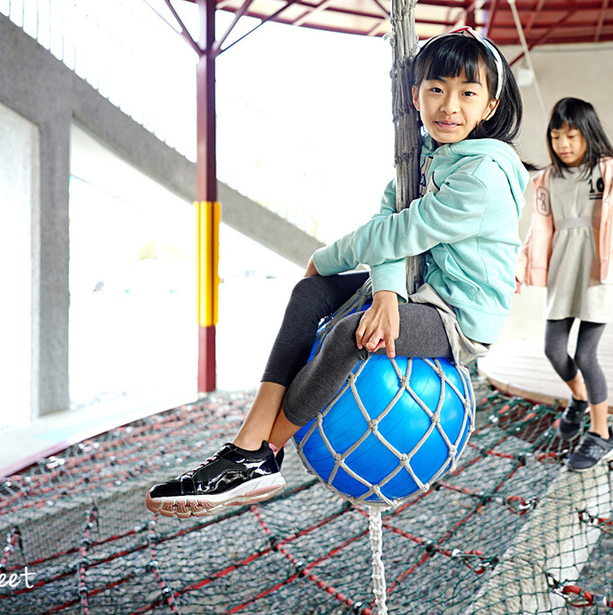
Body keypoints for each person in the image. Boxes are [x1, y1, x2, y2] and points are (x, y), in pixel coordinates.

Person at [146, 27, 532, 518]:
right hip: (417, 289)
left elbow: (399, 233)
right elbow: (388, 223)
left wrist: (329, 257)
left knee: (353, 333)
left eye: (467, 93)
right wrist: (387, 293)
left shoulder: (484, 175)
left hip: (456, 316)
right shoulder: (424, 155)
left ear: (490, 105)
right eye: (436, 89)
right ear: (415, 95)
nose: (448, 105)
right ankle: (247, 448)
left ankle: (264, 455)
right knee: (311, 294)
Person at [517, 97, 613, 471]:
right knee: (554, 351)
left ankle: (600, 433)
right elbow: (538, 233)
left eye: (571, 135)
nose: (563, 144)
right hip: (563, 274)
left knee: (586, 355)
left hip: (599, 276)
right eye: (556, 137)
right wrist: (521, 266)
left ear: (588, 134)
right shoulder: (546, 180)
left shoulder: (612, 172)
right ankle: (580, 397)